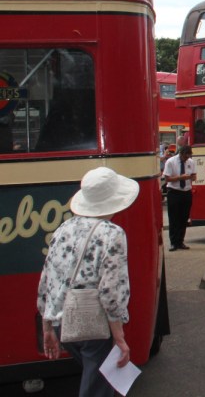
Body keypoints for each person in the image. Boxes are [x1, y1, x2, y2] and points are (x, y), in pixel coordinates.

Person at [37, 167, 138, 397]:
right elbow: (112, 290)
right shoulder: (113, 233)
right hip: (94, 325)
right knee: (96, 389)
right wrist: (119, 337)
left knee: (94, 382)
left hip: (61, 322)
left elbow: (47, 279)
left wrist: (47, 326)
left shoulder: (63, 228)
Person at [164, 145, 196, 251]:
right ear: (181, 154)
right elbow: (167, 179)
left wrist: (192, 177)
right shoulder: (171, 162)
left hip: (186, 192)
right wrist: (180, 178)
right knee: (174, 218)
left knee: (184, 218)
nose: (187, 159)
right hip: (174, 192)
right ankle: (173, 242)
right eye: (185, 156)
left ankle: (180, 241)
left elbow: (194, 176)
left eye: (188, 156)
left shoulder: (191, 162)